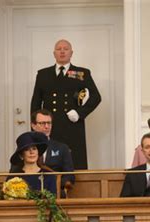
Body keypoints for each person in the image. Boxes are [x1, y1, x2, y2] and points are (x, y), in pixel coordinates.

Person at [30, 39, 101, 169]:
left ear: (71, 53)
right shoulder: (43, 74)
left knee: (75, 162)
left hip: (72, 125)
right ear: (54, 53)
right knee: (48, 161)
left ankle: (77, 188)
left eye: (65, 49)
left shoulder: (82, 73)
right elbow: (36, 102)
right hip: (48, 126)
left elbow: (96, 97)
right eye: (59, 49)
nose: (62, 51)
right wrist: (35, 128)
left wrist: (80, 113)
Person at [31, 109, 74, 196]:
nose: (47, 127)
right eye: (42, 123)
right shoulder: (26, 148)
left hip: (54, 192)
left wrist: (53, 184)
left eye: (49, 123)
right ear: (33, 125)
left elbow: (69, 175)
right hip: (30, 192)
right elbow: (16, 172)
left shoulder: (62, 148)